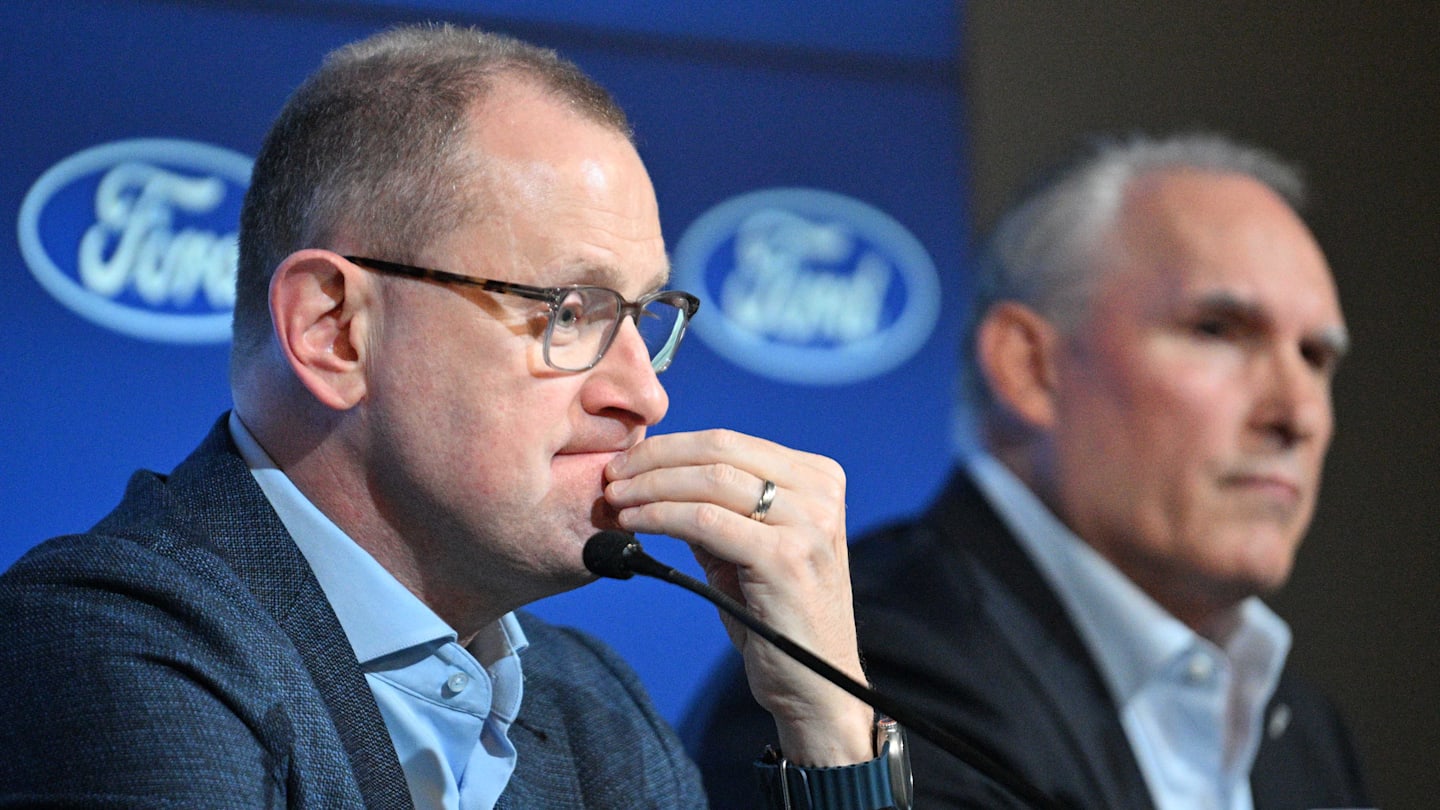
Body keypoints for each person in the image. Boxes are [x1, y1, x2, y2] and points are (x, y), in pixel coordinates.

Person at [0, 24, 898, 809]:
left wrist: (827, 725)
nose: (645, 395)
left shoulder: (595, 707)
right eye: (572, 310)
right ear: (335, 331)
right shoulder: (107, 646)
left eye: (645, 315)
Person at [685, 133, 1372, 809]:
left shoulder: (1300, 730)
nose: (1298, 413)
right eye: (1217, 330)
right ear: (1029, 367)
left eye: (1316, 357)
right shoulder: (866, 672)